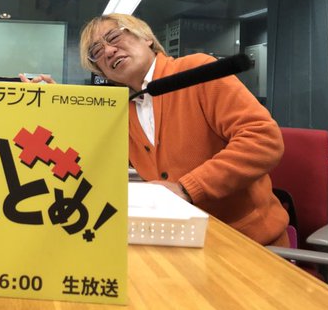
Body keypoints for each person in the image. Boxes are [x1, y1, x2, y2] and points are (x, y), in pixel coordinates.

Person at [79, 13, 289, 247]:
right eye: (96, 51)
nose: (108, 51)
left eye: (113, 37)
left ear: (146, 38)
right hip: (178, 240)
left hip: (246, 242)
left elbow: (263, 139)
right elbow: (87, 151)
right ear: (102, 72)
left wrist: (186, 188)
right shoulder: (125, 108)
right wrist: (51, 101)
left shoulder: (196, 71)